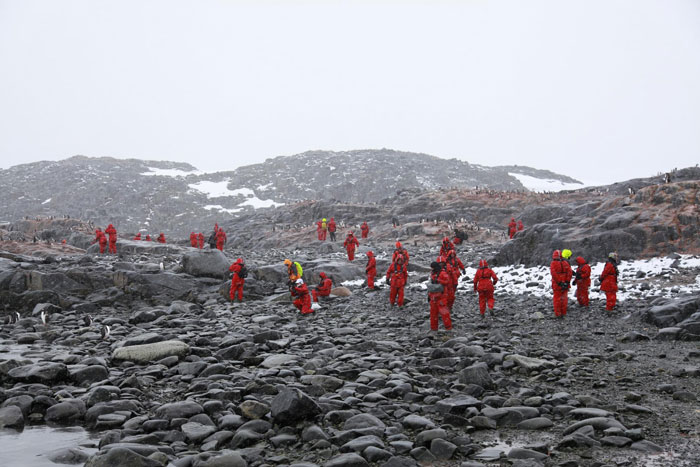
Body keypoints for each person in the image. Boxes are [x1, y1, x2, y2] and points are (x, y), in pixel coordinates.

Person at [428, 261, 452, 331]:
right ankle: (434, 329)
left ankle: (448, 328)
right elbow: (431, 284)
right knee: (433, 314)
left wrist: (438, 280)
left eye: (432, 268)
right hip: (433, 296)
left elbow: (447, 281)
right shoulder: (432, 273)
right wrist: (429, 295)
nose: (431, 269)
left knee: (444, 313)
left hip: (441, 296)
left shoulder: (442, 273)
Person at [550, 250, 573, 318]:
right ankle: (563, 312)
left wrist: (559, 282)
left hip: (557, 284)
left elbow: (554, 274)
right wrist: (567, 282)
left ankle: (558, 313)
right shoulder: (565, 263)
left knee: (557, 299)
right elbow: (570, 273)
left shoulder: (553, 263)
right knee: (564, 298)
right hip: (565, 283)